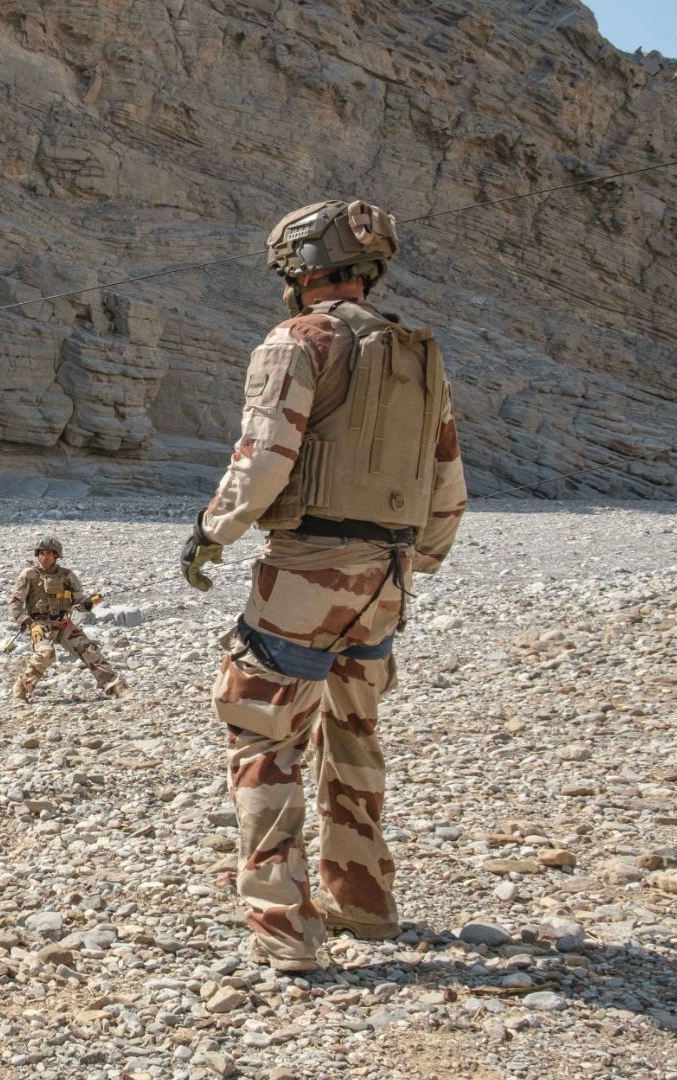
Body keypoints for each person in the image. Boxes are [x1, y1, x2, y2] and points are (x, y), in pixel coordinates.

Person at [182, 199, 467, 973]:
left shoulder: (298, 339)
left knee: (265, 735)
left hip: (308, 570)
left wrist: (212, 531)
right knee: (353, 731)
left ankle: (284, 932)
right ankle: (364, 901)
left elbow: (265, 455)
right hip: (387, 578)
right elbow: (448, 484)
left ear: (298, 267)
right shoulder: (419, 353)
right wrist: (416, 561)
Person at [8, 536, 125, 701]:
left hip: (63, 623)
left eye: (48, 553)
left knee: (89, 649)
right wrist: (30, 623)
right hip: (39, 624)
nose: (44, 557)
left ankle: (115, 686)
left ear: (56, 555)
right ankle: (21, 689)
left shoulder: (67, 576)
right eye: (41, 553)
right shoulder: (29, 575)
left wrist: (90, 602)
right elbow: (15, 604)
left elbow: (80, 604)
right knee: (46, 654)